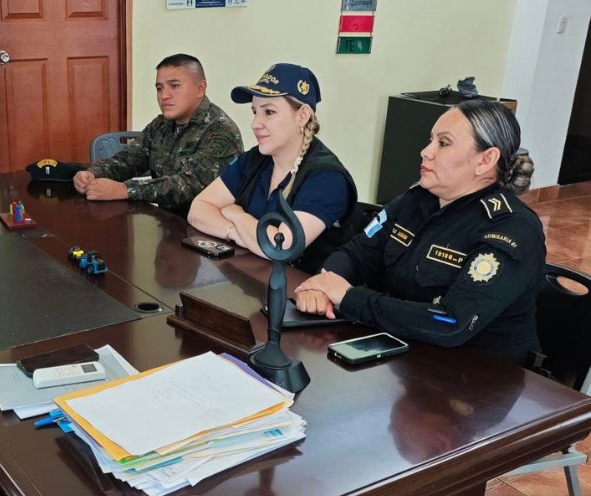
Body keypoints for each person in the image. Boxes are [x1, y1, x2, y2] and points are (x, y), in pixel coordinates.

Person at [295, 99, 543, 365]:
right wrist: (323, 284)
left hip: (480, 373)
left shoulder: (511, 228)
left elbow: (452, 322)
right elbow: (356, 254)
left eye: (443, 143)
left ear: (486, 160)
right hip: (407, 355)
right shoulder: (416, 200)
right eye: (430, 140)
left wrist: (348, 298)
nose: (426, 151)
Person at [187, 63, 358, 273]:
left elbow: (281, 248)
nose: (255, 124)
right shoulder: (255, 159)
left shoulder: (327, 178)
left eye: (269, 112)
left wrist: (237, 215)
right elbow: (198, 209)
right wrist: (233, 230)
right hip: (252, 277)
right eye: (254, 111)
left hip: (301, 289)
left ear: (302, 116)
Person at [72, 53, 243, 217]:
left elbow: (189, 185)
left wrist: (126, 190)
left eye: (174, 86)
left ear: (200, 89)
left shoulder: (221, 131)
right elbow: (127, 161)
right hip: (168, 223)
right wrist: (92, 174)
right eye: (159, 88)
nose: (164, 96)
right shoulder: (160, 125)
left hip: (209, 231)